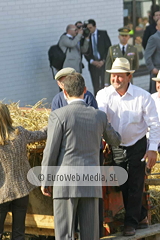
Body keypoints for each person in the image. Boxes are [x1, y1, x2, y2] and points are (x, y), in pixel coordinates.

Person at [41, 72, 121, 240]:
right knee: (90, 235)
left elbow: (51, 150)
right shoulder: (99, 116)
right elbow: (115, 140)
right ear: (85, 90)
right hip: (91, 181)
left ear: (65, 92)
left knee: (64, 235)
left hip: (65, 182)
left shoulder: (59, 115)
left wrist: (46, 179)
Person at [96, 58, 160, 236]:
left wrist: (152, 148)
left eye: (120, 76)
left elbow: (154, 124)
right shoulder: (103, 95)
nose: (116, 79)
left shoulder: (143, 96)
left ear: (129, 76)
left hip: (137, 144)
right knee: (121, 182)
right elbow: (100, 119)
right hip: (115, 145)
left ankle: (130, 222)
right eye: (113, 75)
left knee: (135, 183)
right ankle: (140, 215)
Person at [0, 103, 47, 240]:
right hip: (21, 190)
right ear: (7, 116)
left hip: (1, 194)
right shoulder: (20, 133)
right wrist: (53, 124)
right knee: (19, 233)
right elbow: (40, 135)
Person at [84, 19, 112, 95]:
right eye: (88, 28)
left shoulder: (103, 34)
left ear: (95, 26)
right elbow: (85, 51)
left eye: (90, 28)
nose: (89, 30)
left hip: (103, 63)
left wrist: (103, 60)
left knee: (104, 83)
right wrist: (92, 61)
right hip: (93, 64)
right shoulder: (86, 36)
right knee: (95, 85)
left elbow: (108, 48)